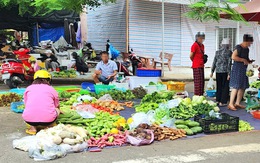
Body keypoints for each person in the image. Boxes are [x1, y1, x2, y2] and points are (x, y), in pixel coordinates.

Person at [22, 70, 60, 135]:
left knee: (29, 110)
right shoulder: (51, 89)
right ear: (48, 80)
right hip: (48, 120)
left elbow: (26, 104)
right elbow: (56, 105)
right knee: (57, 109)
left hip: (29, 120)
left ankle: (32, 128)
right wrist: (58, 110)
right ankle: (48, 126)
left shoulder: (29, 88)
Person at [228, 34, 254, 111]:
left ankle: (238, 103)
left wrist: (249, 61)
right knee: (236, 86)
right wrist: (243, 60)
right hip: (237, 68)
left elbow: (246, 58)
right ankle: (231, 104)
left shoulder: (247, 49)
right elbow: (233, 57)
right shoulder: (238, 47)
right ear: (246, 41)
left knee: (242, 86)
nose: (250, 44)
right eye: (250, 42)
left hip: (244, 69)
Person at [210, 38, 232, 106]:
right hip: (225, 71)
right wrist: (229, 73)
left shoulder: (217, 52)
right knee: (225, 87)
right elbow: (229, 63)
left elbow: (214, 62)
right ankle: (223, 102)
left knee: (219, 86)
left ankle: (218, 100)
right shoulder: (229, 52)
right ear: (228, 45)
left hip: (218, 71)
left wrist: (212, 71)